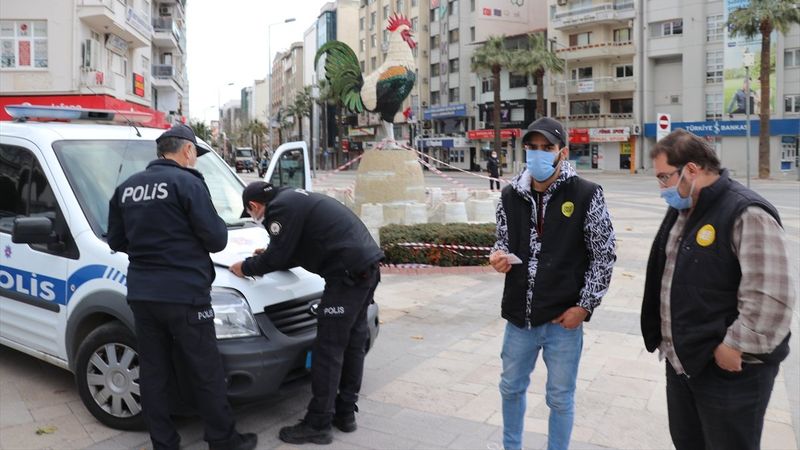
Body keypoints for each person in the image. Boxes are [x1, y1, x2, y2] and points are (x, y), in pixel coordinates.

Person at [641, 129, 794, 450]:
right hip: (683, 364)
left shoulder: (746, 212)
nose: (662, 188)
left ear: (692, 170)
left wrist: (733, 346)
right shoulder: (684, 210)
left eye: (665, 177)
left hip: (729, 371)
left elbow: (770, 297)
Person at [107, 124, 257, 450]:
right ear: (187, 151)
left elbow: (116, 240)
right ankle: (223, 440)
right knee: (206, 371)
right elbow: (216, 239)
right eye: (196, 155)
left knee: (153, 372)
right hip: (185, 295)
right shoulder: (187, 183)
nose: (196, 161)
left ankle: (164, 443)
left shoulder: (127, 187)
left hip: (143, 294)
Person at [488, 117, 616, 450]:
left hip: (563, 320)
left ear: (563, 152)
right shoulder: (509, 196)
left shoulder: (587, 194)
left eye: (547, 148)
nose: (539, 155)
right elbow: (501, 241)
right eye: (532, 148)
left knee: (559, 398)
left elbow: (604, 255)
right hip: (519, 318)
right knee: (510, 388)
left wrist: (585, 307)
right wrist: (497, 256)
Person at [229, 182, 384, 446]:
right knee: (353, 344)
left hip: (346, 277)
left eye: (253, 214)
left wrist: (246, 267)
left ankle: (318, 424)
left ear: (253, 207)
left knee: (328, 350)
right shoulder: (293, 198)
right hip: (365, 268)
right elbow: (295, 248)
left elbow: (277, 258)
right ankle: (345, 414)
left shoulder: (279, 209)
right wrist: (271, 253)